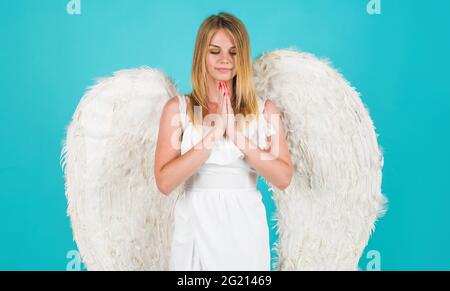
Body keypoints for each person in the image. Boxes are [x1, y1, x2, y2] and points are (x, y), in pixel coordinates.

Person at [154, 12, 293, 271]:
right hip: (194, 223)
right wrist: (213, 136)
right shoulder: (178, 109)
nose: (224, 60)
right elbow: (165, 182)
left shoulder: (265, 111)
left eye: (233, 52)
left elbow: (283, 177)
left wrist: (237, 135)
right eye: (214, 51)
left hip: (245, 228)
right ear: (201, 56)